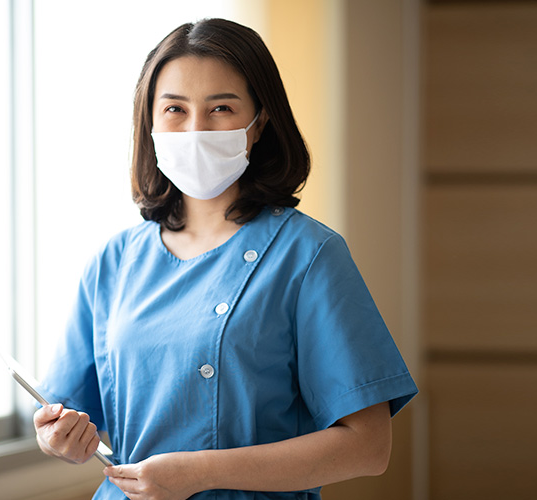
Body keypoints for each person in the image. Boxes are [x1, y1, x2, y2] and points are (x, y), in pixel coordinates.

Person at [32, 18, 418, 500]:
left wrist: (201, 472)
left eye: (221, 108)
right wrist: (58, 438)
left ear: (260, 124)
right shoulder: (115, 261)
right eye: (175, 108)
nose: (195, 129)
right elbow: (70, 419)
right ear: (149, 122)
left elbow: (368, 447)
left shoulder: (307, 255)